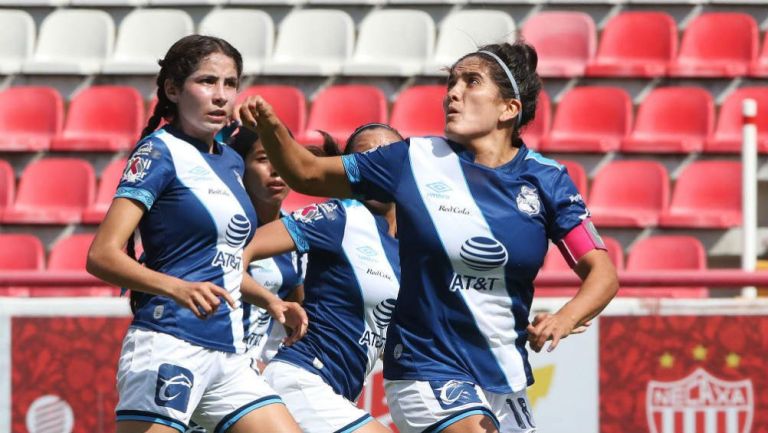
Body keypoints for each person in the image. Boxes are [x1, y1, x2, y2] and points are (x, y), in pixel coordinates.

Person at [237, 40, 619, 433]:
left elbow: (602, 274)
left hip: (504, 375)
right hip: (426, 367)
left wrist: (564, 317)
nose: (453, 93)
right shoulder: (413, 160)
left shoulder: (548, 181)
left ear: (509, 108)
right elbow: (307, 173)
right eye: (451, 82)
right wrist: (271, 127)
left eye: (471, 82)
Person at [86, 35, 306, 433]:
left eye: (230, 83)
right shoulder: (158, 152)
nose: (221, 95)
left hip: (227, 353)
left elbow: (219, 265)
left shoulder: (230, 162)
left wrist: (272, 302)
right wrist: (177, 288)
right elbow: (102, 255)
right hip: (170, 342)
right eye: (207, 81)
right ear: (172, 89)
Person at [237, 124, 404, 433]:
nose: (376, 165)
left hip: (337, 394)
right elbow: (239, 253)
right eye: (364, 158)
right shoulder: (340, 216)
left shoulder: (410, 247)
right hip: (302, 380)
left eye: (385, 156)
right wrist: (269, 300)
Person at [229, 127, 305, 370]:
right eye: (263, 159)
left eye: (282, 158)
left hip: (265, 367)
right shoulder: (228, 228)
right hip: (223, 362)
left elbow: (297, 314)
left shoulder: (297, 233)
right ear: (240, 167)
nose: (276, 169)